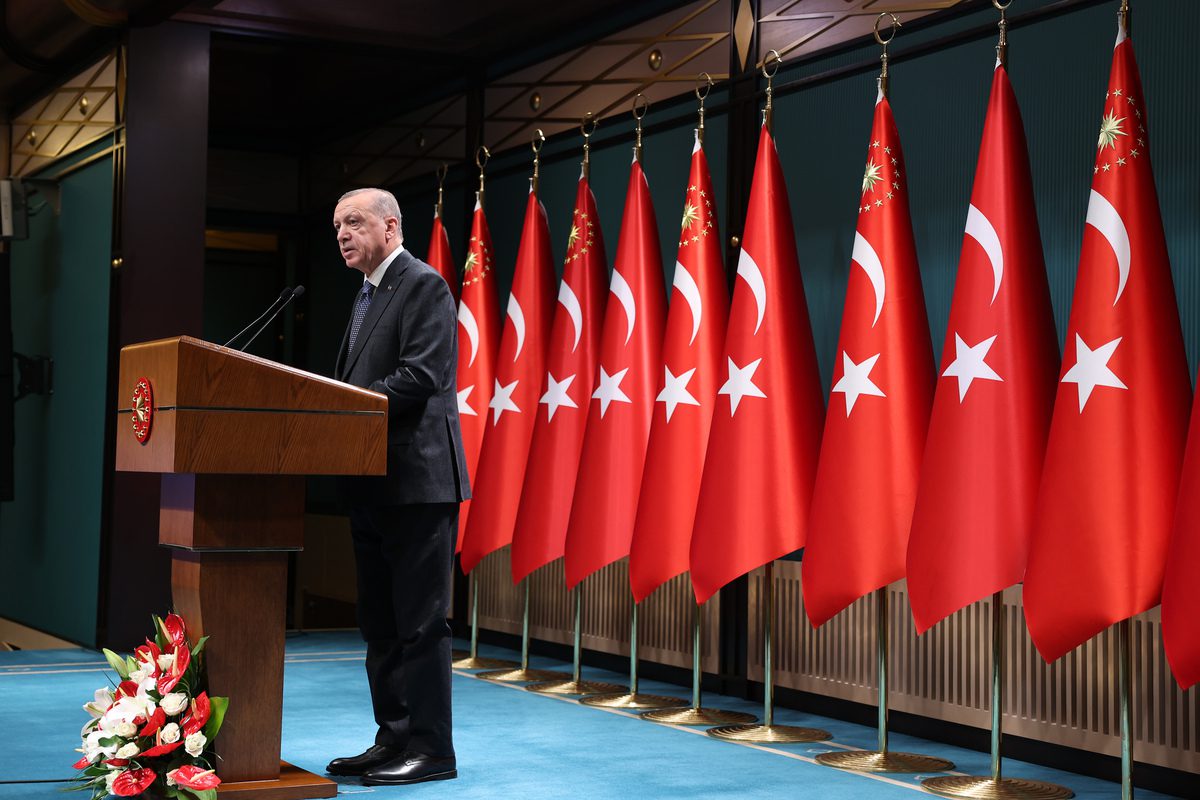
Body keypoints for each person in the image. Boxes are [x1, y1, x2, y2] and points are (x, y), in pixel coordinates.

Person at [325, 187, 469, 786]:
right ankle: (394, 738)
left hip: (416, 481)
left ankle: (432, 749)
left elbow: (421, 375)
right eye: (336, 225)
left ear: (390, 226)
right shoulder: (367, 293)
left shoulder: (423, 283)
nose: (342, 233)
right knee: (380, 625)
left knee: (420, 623)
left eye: (353, 222)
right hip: (372, 482)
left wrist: (337, 404)